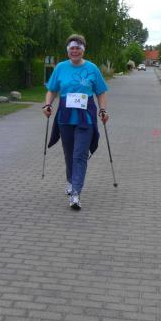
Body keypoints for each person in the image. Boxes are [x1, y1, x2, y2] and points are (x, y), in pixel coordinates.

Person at [43, 34, 109, 210]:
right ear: (68, 50)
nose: (75, 51)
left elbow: (101, 92)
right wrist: (47, 105)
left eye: (78, 48)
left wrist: (103, 110)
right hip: (65, 118)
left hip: (85, 118)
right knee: (69, 153)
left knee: (80, 155)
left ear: (83, 50)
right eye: (72, 48)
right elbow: (52, 90)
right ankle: (71, 181)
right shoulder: (60, 68)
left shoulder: (92, 68)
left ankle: (76, 194)